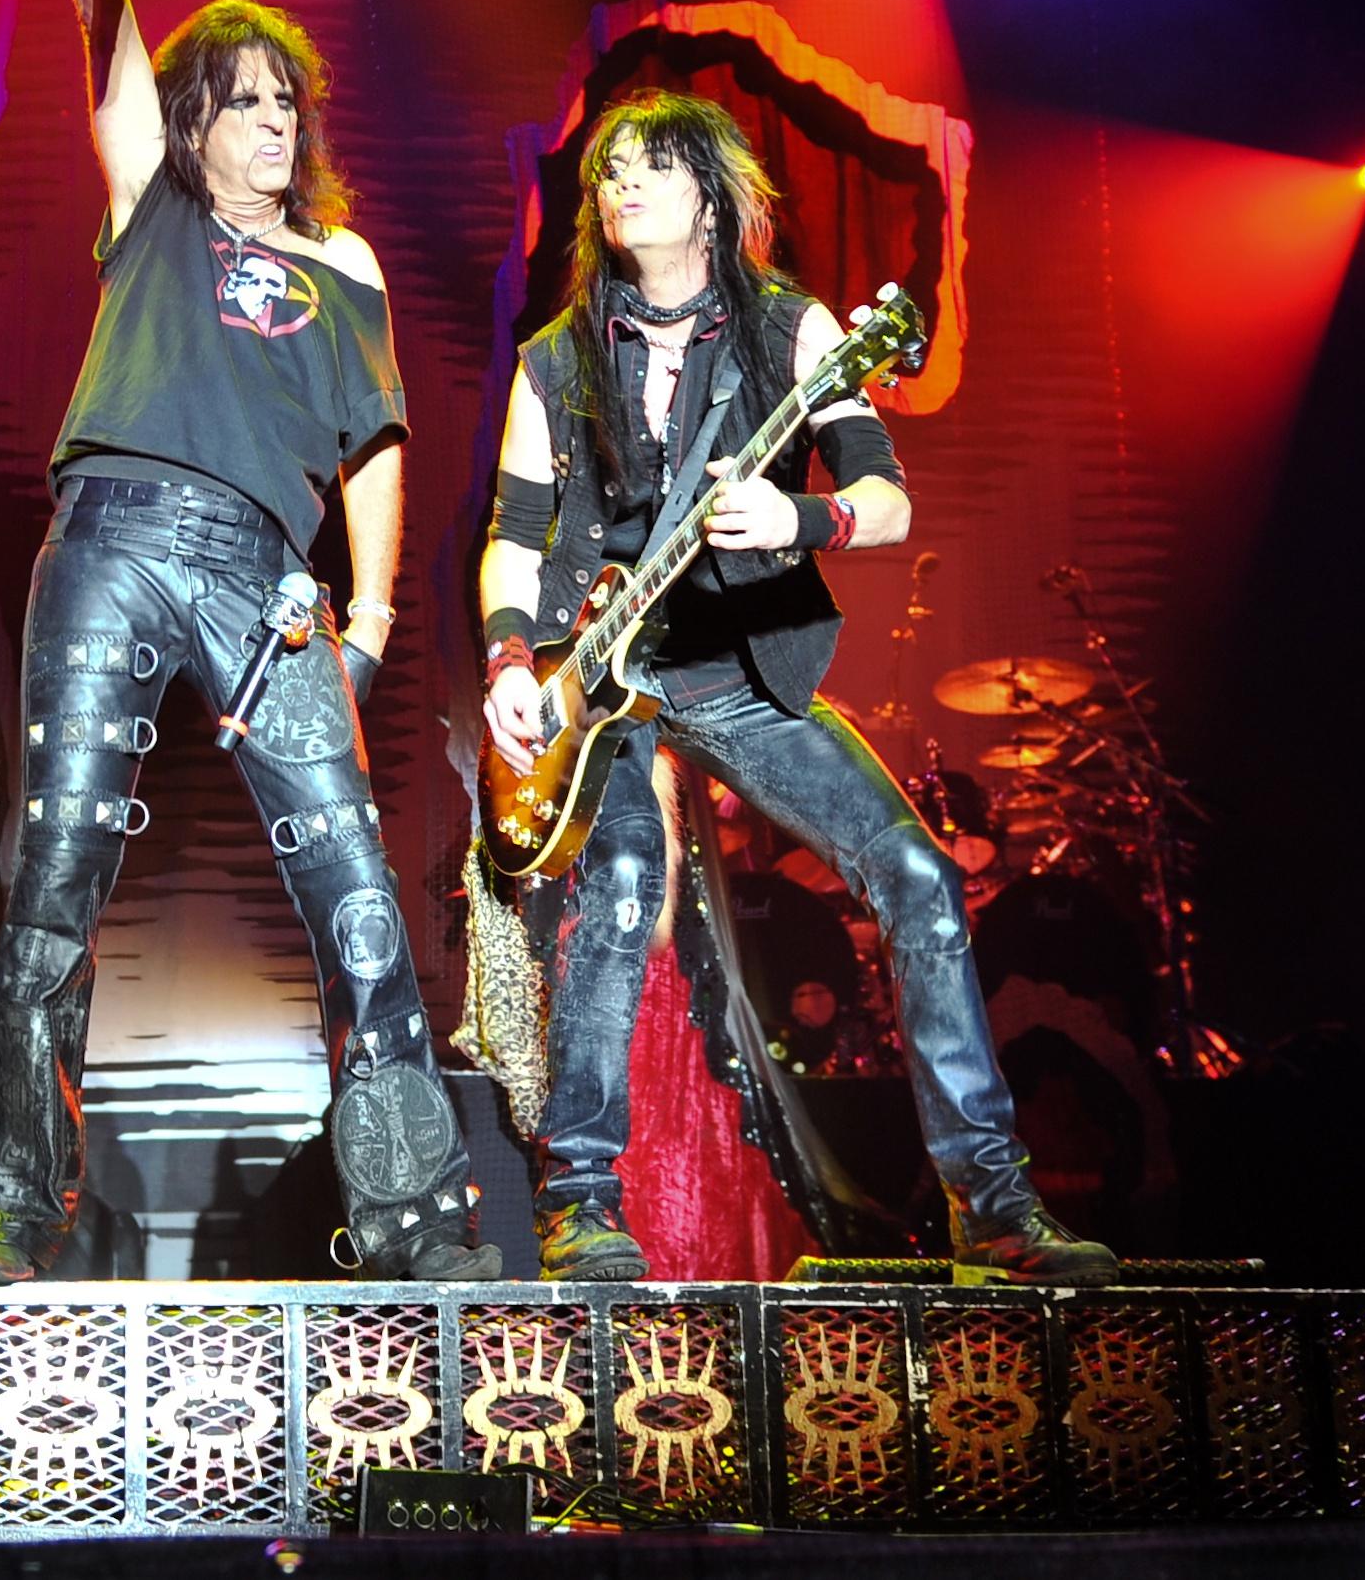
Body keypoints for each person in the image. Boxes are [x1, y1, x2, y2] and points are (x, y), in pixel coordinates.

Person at [0, 0, 499, 1285]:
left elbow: (380, 440)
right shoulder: (154, 209)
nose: (271, 117)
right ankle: (1, 1216)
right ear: (192, 129)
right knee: (48, 879)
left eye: (286, 100)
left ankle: (407, 1223)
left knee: (359, 901)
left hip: (273, 575)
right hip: (111, 530)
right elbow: (98, 15)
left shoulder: (343, 258)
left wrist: (379, 613)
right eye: (240, 100)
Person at [478, 88, 1116, 1285]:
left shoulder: (796, 329)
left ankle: (991, 1207)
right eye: (608, 169)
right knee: (616, 885)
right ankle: (576, 1201)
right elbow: (513, 537)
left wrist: (798, 512)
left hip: (731, 671)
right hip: (595, 683)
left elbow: (887, 501)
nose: (620, 185)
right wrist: (511, 663)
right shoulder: (555, 356)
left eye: (652, 167)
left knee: (918, 875)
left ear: (711, 198)